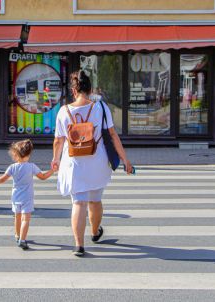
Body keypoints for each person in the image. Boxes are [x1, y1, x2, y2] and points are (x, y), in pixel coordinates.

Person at [51, 70, 133, 257]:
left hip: (74, 163)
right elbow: (112, 135)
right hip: (97, 161)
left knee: (78, 202)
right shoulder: (101, 108)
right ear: (90, 89)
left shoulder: (63, 111)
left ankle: (79, 245)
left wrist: (55, 159)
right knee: (95, 200)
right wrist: (125, 160)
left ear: (73, 90)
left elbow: (58, 140)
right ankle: (95, 232)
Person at [0, 139, 54, 250]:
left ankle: (17, 235)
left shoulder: (12, 167)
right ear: (29, 154)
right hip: (27, 197)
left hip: (16, 197)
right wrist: (53, 170)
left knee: (17, 217)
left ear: (16, 154)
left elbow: (2, 179)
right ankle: (22, 239)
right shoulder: (32, 166)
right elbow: (43, 177)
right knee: (25, 219)